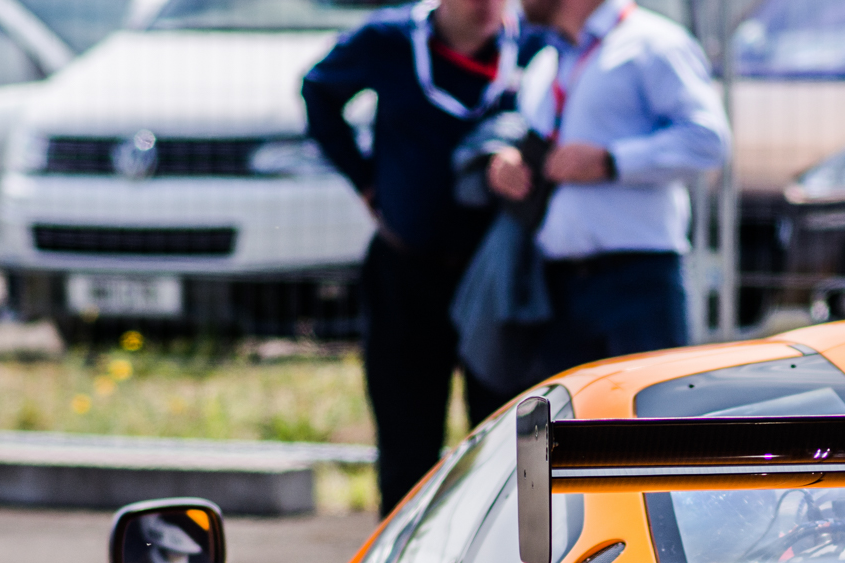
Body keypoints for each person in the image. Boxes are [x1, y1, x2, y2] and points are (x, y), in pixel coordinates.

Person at [303, 0, 528, 517]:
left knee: (504, 441)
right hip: (406, 273)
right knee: (407, 443)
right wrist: (365, 182)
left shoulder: (531, 48)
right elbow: (318, 92)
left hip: (494, 279)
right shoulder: (388, 40)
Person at [485, 0, 728, 376]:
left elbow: (707, 140)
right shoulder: (547, 61)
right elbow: (529, 133)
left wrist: (613, 161)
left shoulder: (653, 43)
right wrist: (508, 160)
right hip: (555, 284)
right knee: (569, 432)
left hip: (637, 280)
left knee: (651, 429)